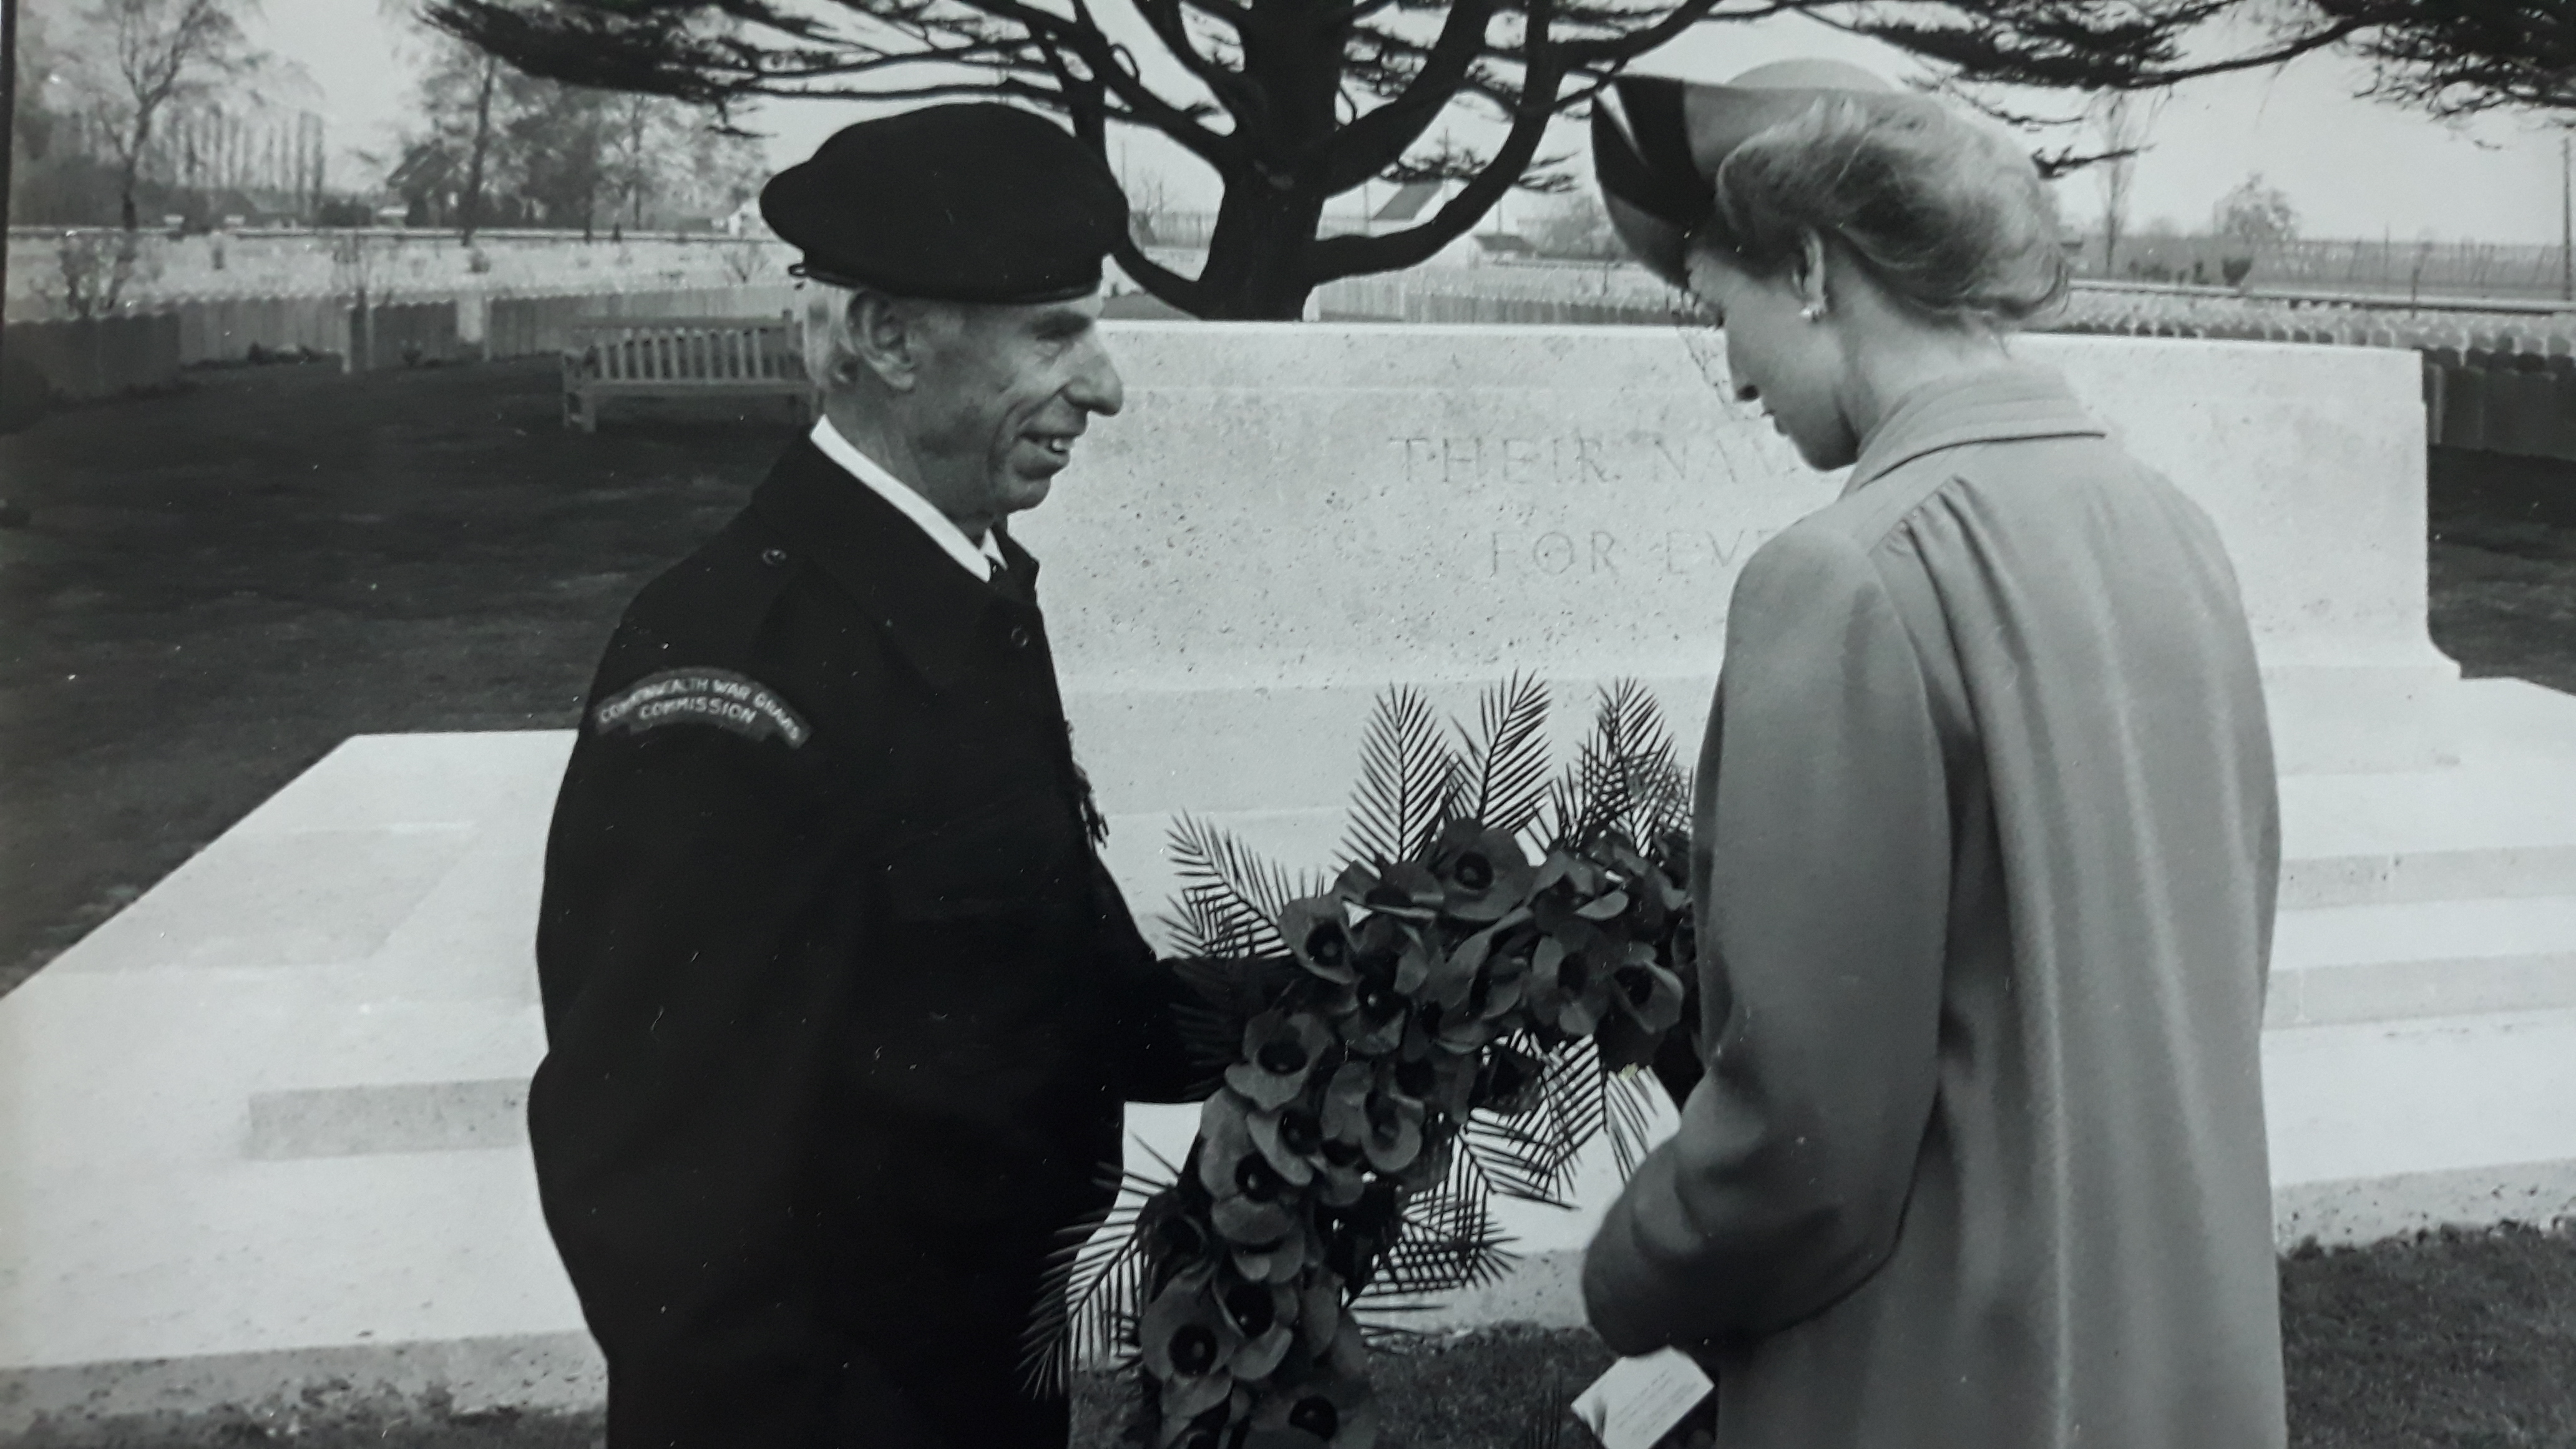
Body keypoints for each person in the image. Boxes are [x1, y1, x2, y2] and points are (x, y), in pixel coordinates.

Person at [1578, 61, 2286, 1448]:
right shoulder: (2173, 530)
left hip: (1930, 1379)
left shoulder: (1841, 576)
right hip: (2171, 1361)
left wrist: (1626, 1272)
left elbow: (1806, 1146)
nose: (1731, 374)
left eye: (1720, 310)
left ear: (1809, 267)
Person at [527, 104, 1209, 1449]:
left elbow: (1048, 975)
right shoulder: (735, 678)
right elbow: (661, 1200)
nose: (1108, 386)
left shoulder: (965, 582)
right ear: (890, 340)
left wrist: (1360, 995)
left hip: (982, 1376)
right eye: (1055, 332)